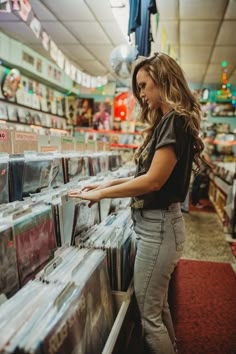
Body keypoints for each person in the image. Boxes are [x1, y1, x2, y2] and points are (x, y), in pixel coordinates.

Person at [68, 52, 204, 354]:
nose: (141, 95)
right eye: (138, 88)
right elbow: (143, 176)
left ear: (163, 81)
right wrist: (105, 184)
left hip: (159, 230)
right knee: (159, 307)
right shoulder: (171, 121)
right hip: (158, 228)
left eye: (144, 86)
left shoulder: (172, 122)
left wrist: (102, 194)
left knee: (150, 317)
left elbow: (152, 182)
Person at [191, 130, 216, 208]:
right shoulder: (205, 144)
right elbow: (206, 157)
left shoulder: (203, 142)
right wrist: (212, 167)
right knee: (196, 185)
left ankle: (195, 202)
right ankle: (195, 203)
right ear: (211, 137)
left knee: (196, 185)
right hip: (200, 169)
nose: (213, 140)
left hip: (198, 168)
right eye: (213, 139)